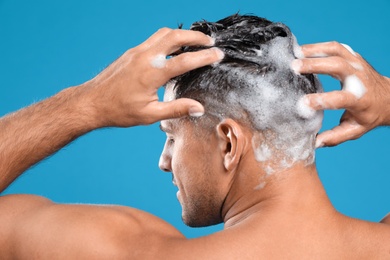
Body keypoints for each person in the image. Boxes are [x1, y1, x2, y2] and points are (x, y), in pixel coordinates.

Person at [0, 14, 389, 259]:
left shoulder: (138, 251)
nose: (164, 161)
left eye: (171, 136)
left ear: (229, 144)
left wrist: (88, 103)